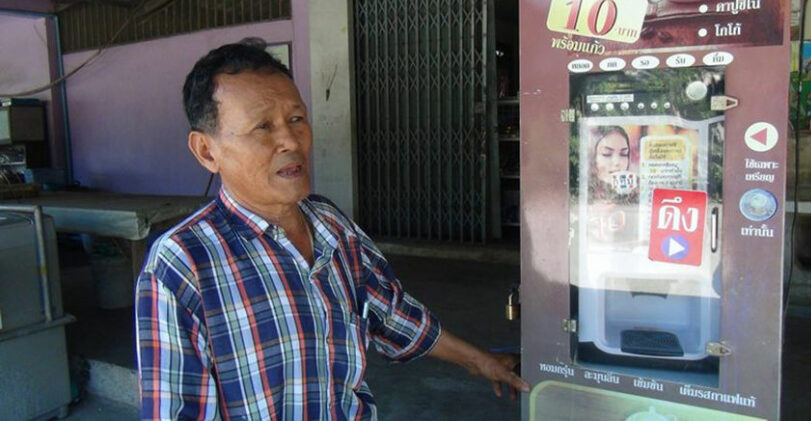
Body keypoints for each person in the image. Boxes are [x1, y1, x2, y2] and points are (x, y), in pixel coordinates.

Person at [135, 38, 529, 420]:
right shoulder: (181, 264)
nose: (291, 140)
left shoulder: (330, 225)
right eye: (262, 127)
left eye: (296, 119)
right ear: (207, 151)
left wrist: (480, 362)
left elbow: (391, 315)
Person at [587, 126, 637, 245]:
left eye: (624, 154)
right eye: (607, 154)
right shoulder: (582, 193)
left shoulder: (636, 193)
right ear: (592, 157)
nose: (617, 163)